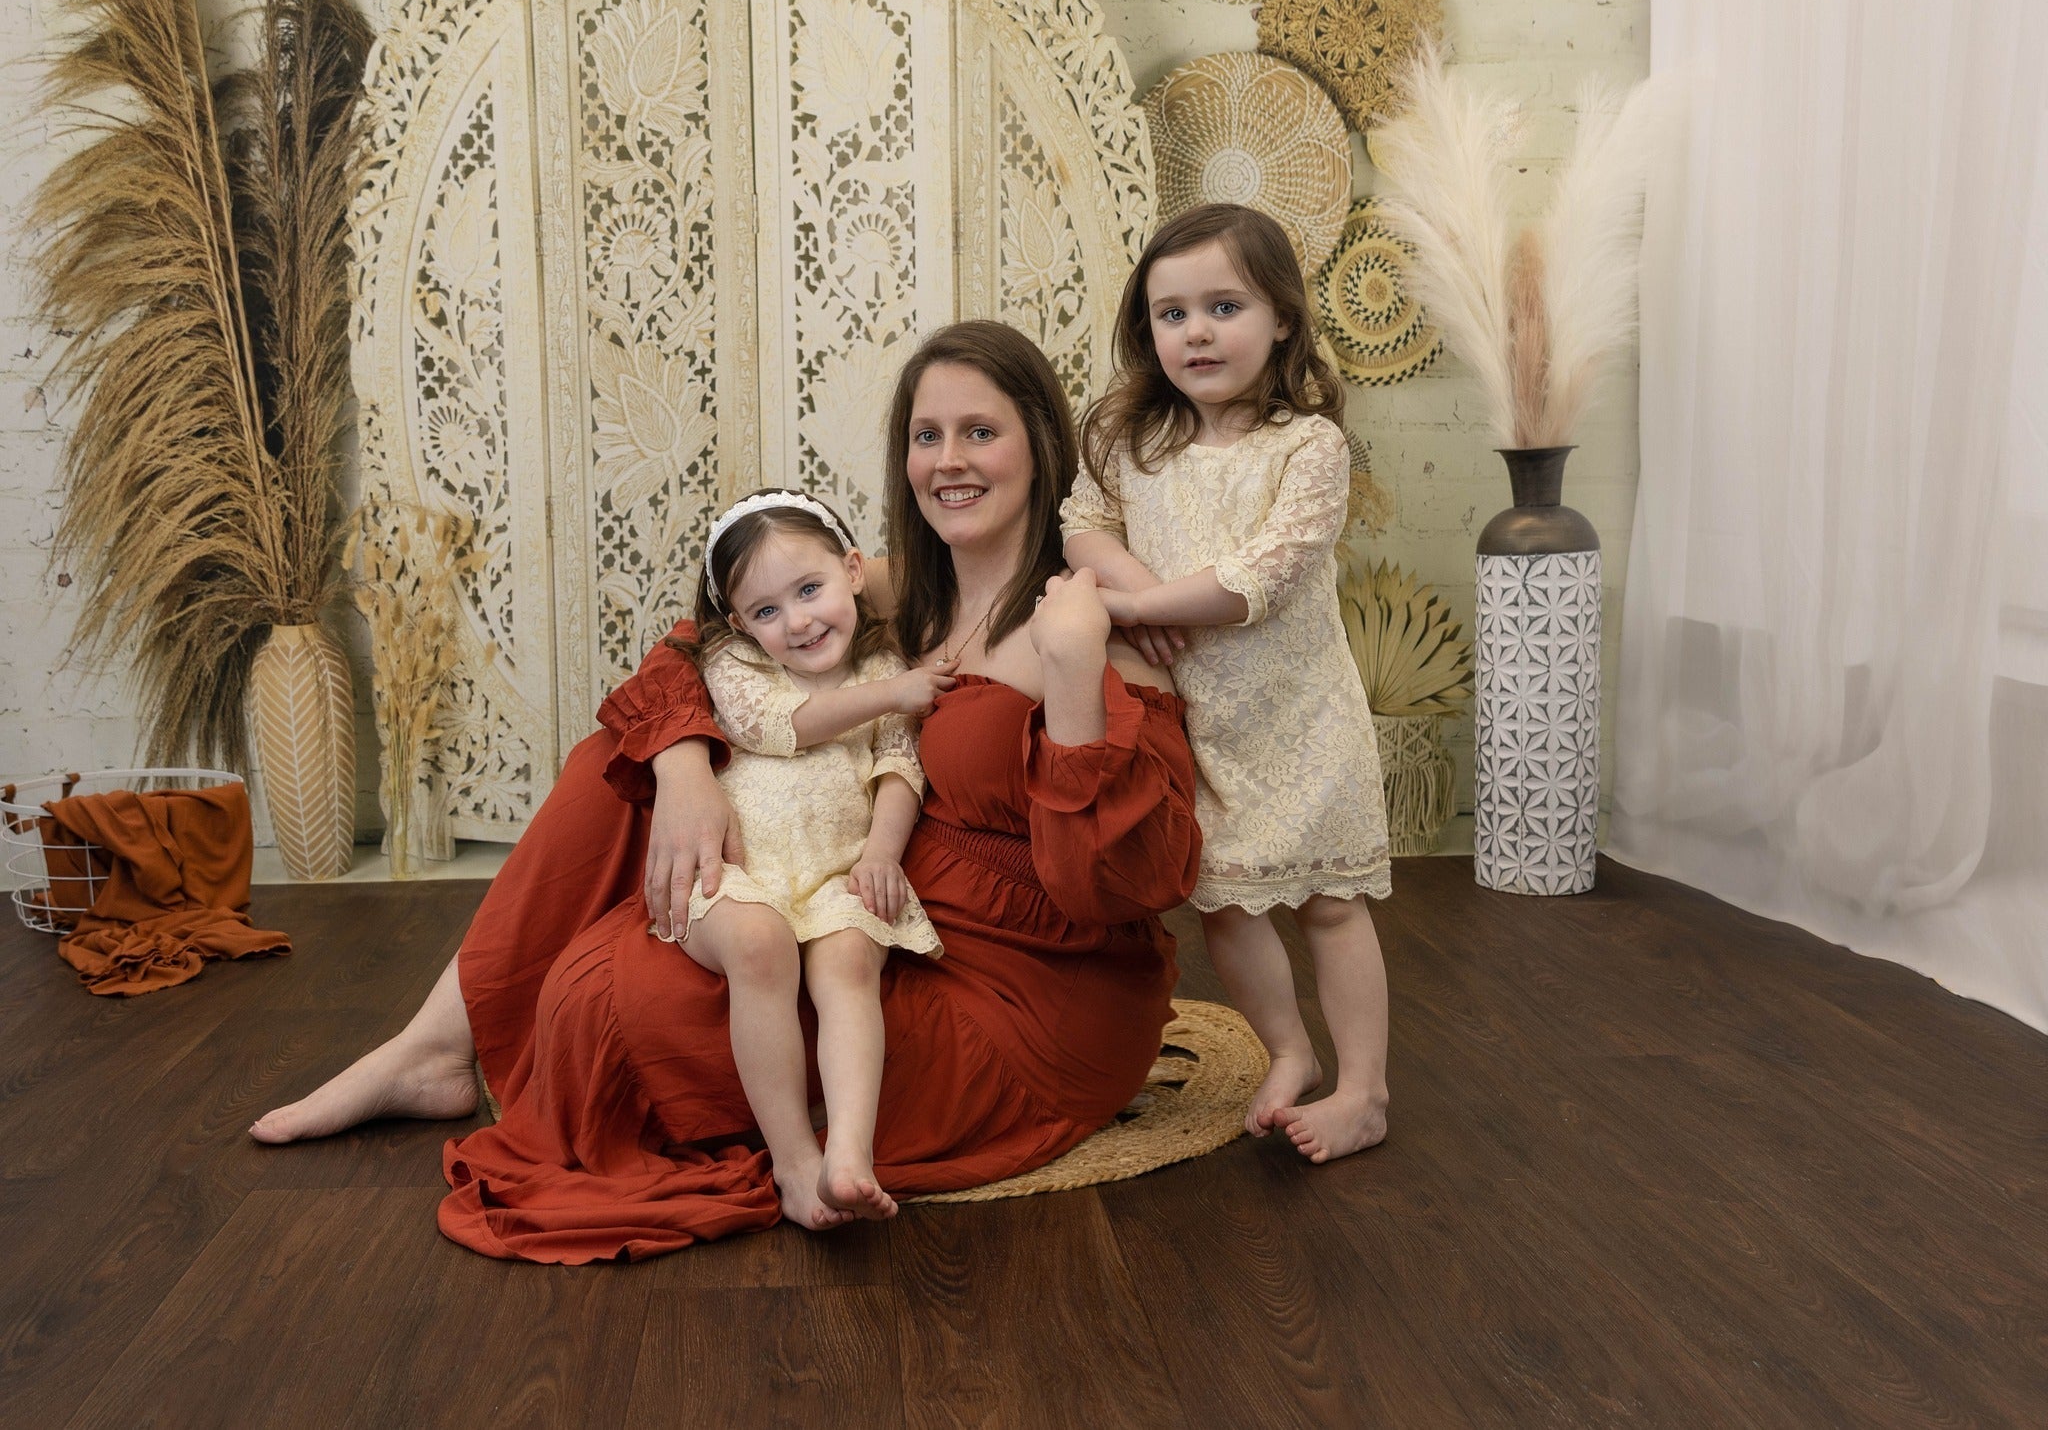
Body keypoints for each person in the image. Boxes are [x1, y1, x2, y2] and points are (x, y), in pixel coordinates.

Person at [249, 321, 1202, 1264]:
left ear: (1039, 439)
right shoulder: (897, 588)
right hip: (876, 897)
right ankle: (432, 1043)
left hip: (1030, 979)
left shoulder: (1088, 625)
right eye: (927, 434)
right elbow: (699, 639)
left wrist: (1072, 674)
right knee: (614, 766)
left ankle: (800, 1144)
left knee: (612, 1005)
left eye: (980, 431)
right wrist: (683, 770)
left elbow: (1129, 885)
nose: (948, 459)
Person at [1062, 202, 1394, 1164]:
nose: (1196, 333)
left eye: (1224, 307)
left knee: (1329, 903)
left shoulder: (1307, 447)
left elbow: (1265, 573)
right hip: (1198, 719)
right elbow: (1083, 523)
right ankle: (1288, 1050)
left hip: (1301, 716)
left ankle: (1364, 1089)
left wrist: (1137, 606)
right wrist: (1138, 585)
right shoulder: (1132, 438)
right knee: (1227, 902)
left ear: (1282, 317)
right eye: (1172, 314)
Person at [670, 487, 949, 1229]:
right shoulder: (734, 663)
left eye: (809, 589)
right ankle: (794, 1162)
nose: (796, 621)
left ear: (853, 571)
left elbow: (900, 765)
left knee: (851, 962)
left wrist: (882, 855)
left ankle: (849, 1154)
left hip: (836, 868)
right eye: (766, 610)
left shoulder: (882, 661)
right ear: (739, 622)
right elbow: (781, 727)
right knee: (760, 945)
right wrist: (892, 693)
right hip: (737, 875)